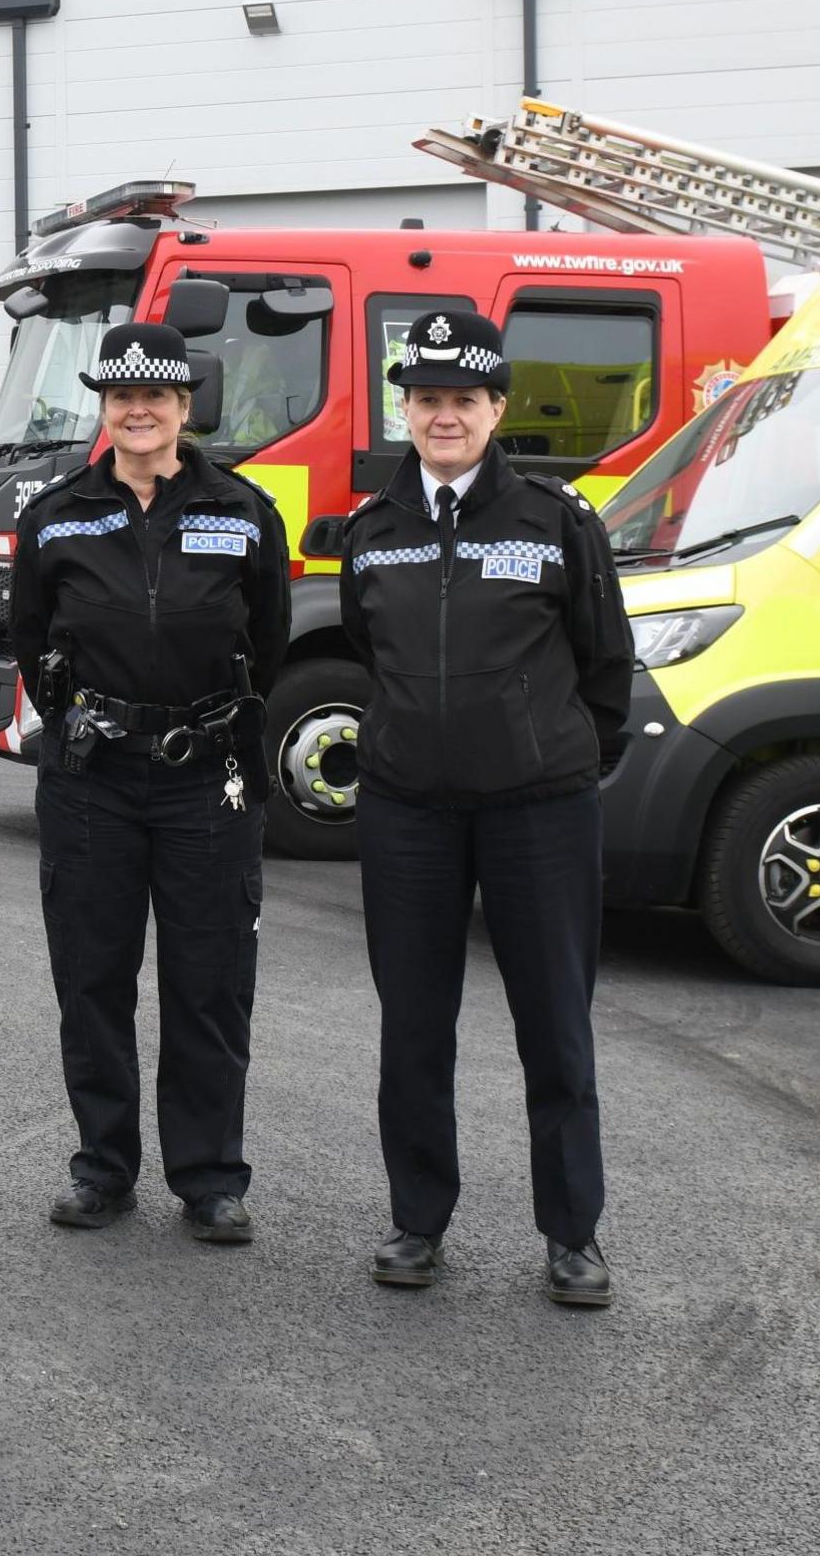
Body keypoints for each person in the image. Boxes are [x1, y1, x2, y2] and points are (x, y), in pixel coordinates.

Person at [330, 307, 635, 1309]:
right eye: (426, 400)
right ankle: (418, 1224)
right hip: (409, 813)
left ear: (497, 408)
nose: (444, 417)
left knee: (554, 1025)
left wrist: (555, 759)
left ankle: (573, 1237)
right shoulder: (372, 533)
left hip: (537, 813)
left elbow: (604, 666)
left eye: (464, 399)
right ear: (405, 411)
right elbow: (369, 656)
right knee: (414, 1026)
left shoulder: (557, 522)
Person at [6, 321, 291, 1243]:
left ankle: (210, 1179)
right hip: (93, 778)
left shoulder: (243, 511)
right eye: (123, 397)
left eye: (157, 398)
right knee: (92, 978)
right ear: (106, 407)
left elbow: (272, 643)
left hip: (206, 778)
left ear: (184, 407)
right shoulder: (55, 515)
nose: (140, 411)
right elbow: (31, 637)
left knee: (210, 982)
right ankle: (103, 1169)